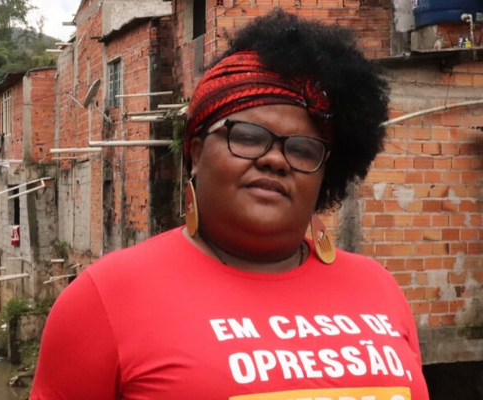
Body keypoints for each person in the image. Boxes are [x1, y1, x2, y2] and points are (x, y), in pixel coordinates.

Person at [30, 10, 429, 400]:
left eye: (303, 148)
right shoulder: (105, 298)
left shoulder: (378, 288)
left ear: (327, 173)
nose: (274, 159)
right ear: (197, 153)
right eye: (250, 136)